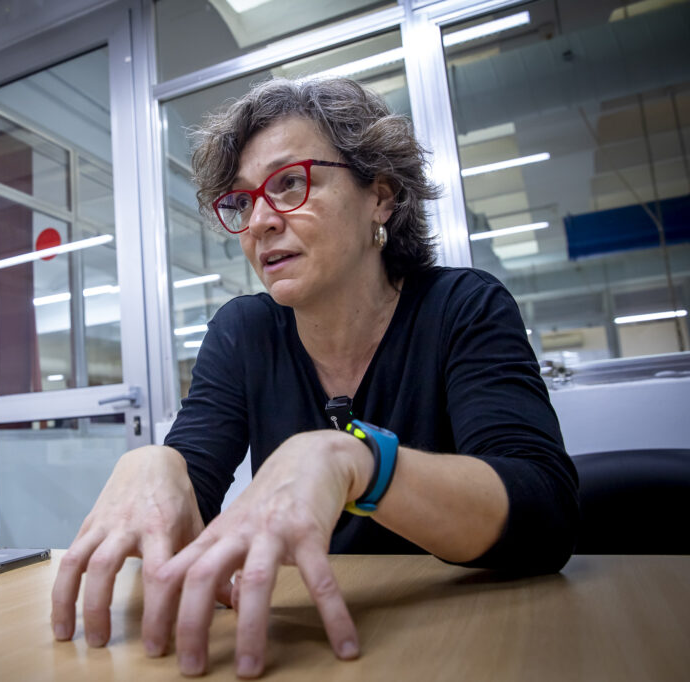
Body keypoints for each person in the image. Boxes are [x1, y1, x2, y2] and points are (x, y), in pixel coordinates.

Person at [50, 76, 578, 678]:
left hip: (466, 637)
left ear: (380, 197)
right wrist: (156, 466)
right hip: (304, 647)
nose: (259, 222)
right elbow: (187, 507)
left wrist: (360, 461)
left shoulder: (463, 308)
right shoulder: (243, 333)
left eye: (290, 183)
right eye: (243, 200)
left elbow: (547, 514)